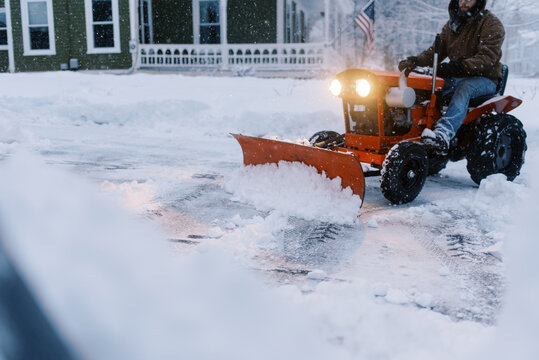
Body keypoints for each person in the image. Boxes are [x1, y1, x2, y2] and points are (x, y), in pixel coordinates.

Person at [398, 0, 505, 155]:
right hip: (458, 75)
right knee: (428, 87)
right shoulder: (453, 25)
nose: (464, 2)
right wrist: (416, 61)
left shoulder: (491, 24)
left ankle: (443, 133)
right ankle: (411, 129)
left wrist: (459, 66)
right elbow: (436, 51)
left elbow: (487, 58)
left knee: (464, 88)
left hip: (485, 79)